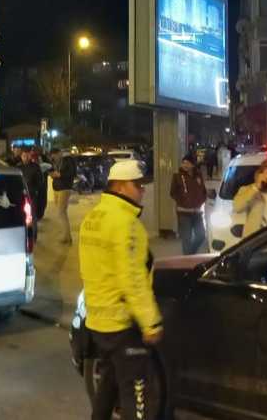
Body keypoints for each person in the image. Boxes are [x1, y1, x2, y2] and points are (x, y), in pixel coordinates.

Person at [79, 160, 163, 420]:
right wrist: (151, 322)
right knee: (136, 394)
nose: (142, 190)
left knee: (109, 382)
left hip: (97, 321)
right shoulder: (127, 224)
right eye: (138, 185)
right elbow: (133, 279)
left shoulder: (93, 217)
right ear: (122, 186)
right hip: (122, 323)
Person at [170, 154, 208, 255]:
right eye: (183, 162)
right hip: (184, 213)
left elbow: (203, 191)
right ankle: (187, 262)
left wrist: (201, 200)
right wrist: (183, 201)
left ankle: (189, 254)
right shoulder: (177, 176)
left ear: (193, 164)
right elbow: (172, 193)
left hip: (197, 213)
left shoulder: (198, 176)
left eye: (187, 163)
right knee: (186, 239)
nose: (185, 165)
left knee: (201, 235)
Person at [50, 149, 76, 245]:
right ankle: (66, 236)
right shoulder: (57, 162)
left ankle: (67, 237)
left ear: (60, 153)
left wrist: (60, 174)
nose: (54, 157)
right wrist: (53, 174)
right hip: (57, 187)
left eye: (55, 155)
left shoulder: (68, 160)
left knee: (61, 212)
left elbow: (71, 173)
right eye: (52, 156)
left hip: (64, 188)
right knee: (61, 212)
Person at [19, 148, 45, 221]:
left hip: (32, 194)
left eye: (28, 156)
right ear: (21, 156)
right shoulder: (18, 167)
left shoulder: (35, 167)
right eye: (24, 156)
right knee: (21, 213)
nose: (26, 158)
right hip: (21, 194)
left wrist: (36, 189)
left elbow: (40, 180)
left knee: (32, 213)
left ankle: (33, 229)